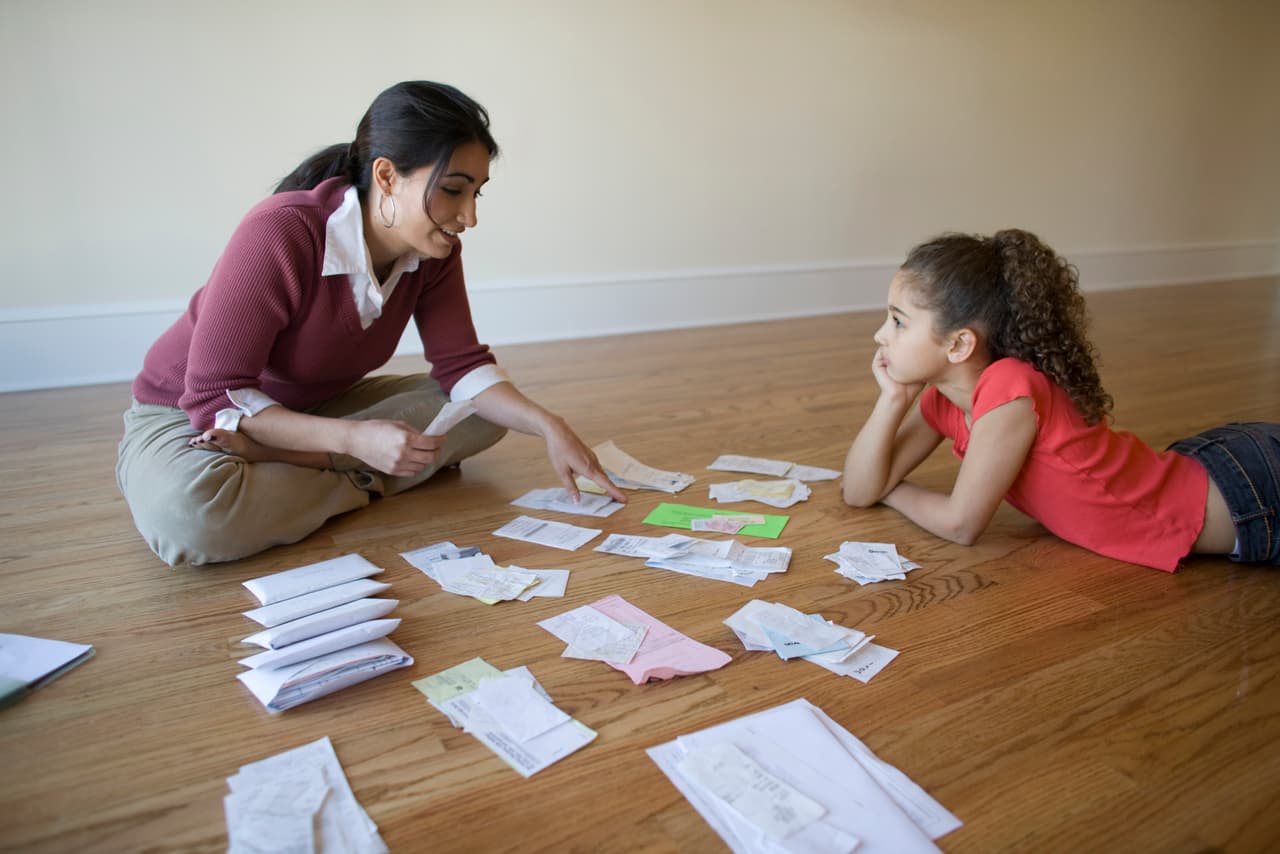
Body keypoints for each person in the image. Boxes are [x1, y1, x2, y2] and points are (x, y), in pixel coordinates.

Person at [117, 81, 625, 566]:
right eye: (453, 190)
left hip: (311, 407)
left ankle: (293, 460)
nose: (468, 217)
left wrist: (548, 425)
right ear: (386, 176)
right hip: (187, 414)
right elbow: (217, 397)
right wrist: (355, 442)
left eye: (478, 194)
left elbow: (463, 364)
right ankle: (360, 471)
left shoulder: (436, 252)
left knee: (483, 410)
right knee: (193, 515)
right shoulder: (281, 230)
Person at [842, 228, 1279, 571]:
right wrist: (893, 400)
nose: (880, 335)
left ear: (959, 345)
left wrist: (892, 489)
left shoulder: (1009, 388)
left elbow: (961, 525)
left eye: (898, 321)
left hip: (1251, 497)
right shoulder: (943, 402)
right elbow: (858, 492)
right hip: (1214, 472)